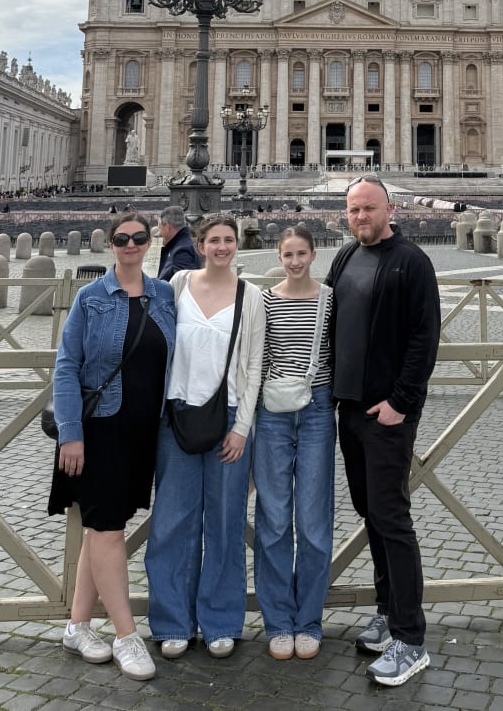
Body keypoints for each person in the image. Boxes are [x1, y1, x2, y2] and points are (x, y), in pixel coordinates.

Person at [48, 211, 176, 681]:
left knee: (101, 528)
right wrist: (70, 432)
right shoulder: (90, 297)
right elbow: (65, 368)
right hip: (98, 430)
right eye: (122, 238)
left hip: (143, 430)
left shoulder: (165, 295)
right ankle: (126, 634)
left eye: (138, 237)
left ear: (150, 242)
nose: (130, 244)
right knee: (108, 533)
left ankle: (77, 626)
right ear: (111, 244)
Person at [324, 177, 441, 688]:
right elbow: (329, 323)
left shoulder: (412, 261)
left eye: (368, 208)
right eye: (353, 209)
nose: (360, 216)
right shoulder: (346, 257)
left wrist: (401, 402)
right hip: (348, 410)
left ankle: (410, 638)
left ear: (388, 208)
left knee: (392, 518)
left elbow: (424, 336)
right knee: (370, 512)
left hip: (386, 414)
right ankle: (387, 610)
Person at [145, 214, 265, 662]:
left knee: (226, 523)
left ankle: (220, 621)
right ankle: (171, 620)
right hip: (176, 415)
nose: (221, 247)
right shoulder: (175, 284)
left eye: (228, 240)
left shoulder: (251, 297)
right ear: (198, 244)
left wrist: (242, 427)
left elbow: (254, 367)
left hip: (229, 418)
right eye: (213, 240)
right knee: (171, 521)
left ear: (237, 245)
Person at [253, 225, 334, 660]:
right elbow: (259, 358)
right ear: (279, 256)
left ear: (313, 254)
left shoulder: (330, 298)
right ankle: (278, 620)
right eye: (289, 254)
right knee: (274, 517)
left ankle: (310, 620)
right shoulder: (265, 300)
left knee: (315, 521)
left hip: (318, 410)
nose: (296, 261)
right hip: (273, 412)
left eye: (302, 253)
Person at [156, 205, 201, 281]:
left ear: (167, 226)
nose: (159, 232)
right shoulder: (183, 244)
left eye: (159, 226)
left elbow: (186, 285)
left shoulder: (181, 252)